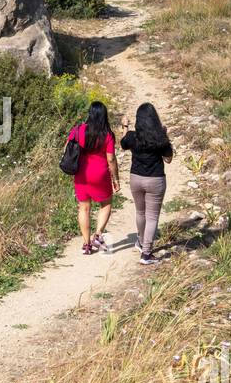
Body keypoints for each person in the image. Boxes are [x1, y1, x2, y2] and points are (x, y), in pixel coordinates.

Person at [120, 102, 173, 265]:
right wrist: (166, 136)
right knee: (152, 217)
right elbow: (168, 159)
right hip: (155, 180)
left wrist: (124, 126)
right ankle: (147, 253)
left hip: (136, 178)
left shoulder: (132, 136)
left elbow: (122, 144)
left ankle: (141, 242)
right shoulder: (160, 138)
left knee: (140, 212)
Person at [67, 101, 120, 255]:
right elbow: (111, 159)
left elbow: (67, 148)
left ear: (89, 113)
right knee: (106, 204)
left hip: (81, 174)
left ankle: (86, 244)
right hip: (100, 175)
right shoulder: (107, 134)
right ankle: (97, 235)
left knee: (84, 208)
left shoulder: (78, 130)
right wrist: (115, 179)